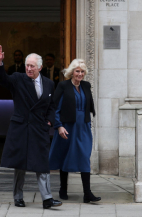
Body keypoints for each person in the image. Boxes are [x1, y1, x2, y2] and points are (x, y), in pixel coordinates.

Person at [0, 44, 62, 209]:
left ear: (40, 67)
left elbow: (52, 105)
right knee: (20, 164)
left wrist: (50, 121)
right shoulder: (18, 79)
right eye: (27, 65)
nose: (29, 68)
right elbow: (3, 79)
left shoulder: (49, 83)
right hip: (21, 127)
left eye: (32, 66)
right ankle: (18, 197)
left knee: (42, 163)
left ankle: (47, 199)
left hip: (39, 128)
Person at [49, 59, 101, 203]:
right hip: (67, 126)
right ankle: (63, 188)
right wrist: (59, 126)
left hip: (82, 127)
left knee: (84, 156)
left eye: (82, 71)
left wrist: (88, 125)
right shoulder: (63, 86)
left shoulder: (86, 85)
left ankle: (87, 193)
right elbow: (56, 108)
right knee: (65, 155)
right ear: (72, 72)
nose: (80, 74)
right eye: (77, 71)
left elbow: (88, 107)